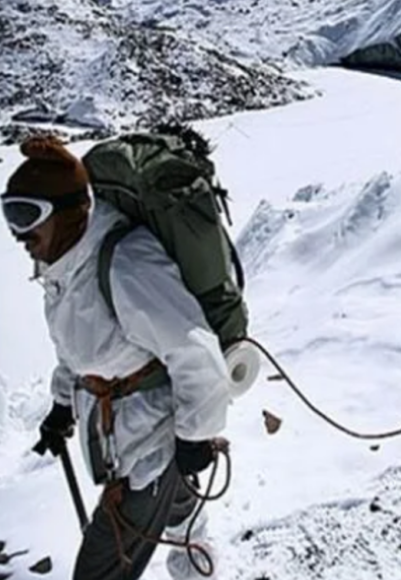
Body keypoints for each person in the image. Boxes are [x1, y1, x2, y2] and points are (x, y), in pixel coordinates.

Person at [0, 137, 231, 580]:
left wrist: (193, 439)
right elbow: (78, 349)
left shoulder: (125, 263)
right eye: (11, 213)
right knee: (181, 516)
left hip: (150, 443)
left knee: (100, 570)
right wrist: (63, 405)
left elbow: (194, 352)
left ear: (69, 211)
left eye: (28, 216)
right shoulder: (67, 266)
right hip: (122, 436)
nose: (19, 234)